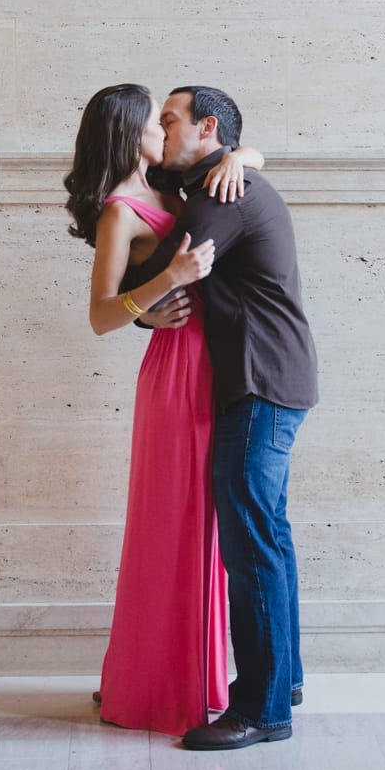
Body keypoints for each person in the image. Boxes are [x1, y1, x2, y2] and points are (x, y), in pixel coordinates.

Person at [63, 83, 265, 735]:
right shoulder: (120, 211)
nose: (166, 130)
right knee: (170, 525)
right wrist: (163, 285)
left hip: (214, 367)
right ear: (132, 132)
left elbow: (241, 161)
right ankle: (149, 685)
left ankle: (191, 676)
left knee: (205, 528)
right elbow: (99, 316)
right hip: (175, 375)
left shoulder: (171, 193)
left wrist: (243, 157)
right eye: (157, 121)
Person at [130, 86, 319, 751]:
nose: (161, 127)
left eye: (171, 119)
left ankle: (262, 710)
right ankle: (283, 680)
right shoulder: (223, 180)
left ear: (208, 127)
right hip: (277, 379)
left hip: (258, 383)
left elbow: (164, 266)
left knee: (251, 547)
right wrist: (245, 153)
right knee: (270, 534)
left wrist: (129, 280)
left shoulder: (220, 194)